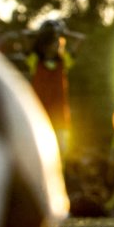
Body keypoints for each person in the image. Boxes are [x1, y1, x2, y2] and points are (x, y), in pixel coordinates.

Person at [25, 19, 80, 160]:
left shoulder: (64, 62)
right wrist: (40, 33)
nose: (53, 46)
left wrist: (64, 33)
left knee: (61, 152)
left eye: (57, 42)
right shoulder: (34, 62)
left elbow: (80, 39)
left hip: (59, 115)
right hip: (39, 114)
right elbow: (27, 41)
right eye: (50, 42)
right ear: (42, 46)